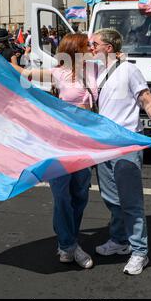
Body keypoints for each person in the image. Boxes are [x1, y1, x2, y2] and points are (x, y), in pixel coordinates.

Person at [11, 33, 97, 269]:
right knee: (62, 197)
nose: (90, 48)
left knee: (80, 195)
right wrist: (11, 62)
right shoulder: (58, 72)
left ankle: (67, 240)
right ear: (74, 50)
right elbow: (26, 75)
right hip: (61, 143)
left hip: (85, 145)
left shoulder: (93, 71)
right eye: (86, 45)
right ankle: (70, 245)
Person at [90, 28, 151, 275]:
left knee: (131, 202)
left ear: (108, 48)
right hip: (105, 146)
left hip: (126, 145)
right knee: (111, 199)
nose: (91, 48)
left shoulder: (129, 70)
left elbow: (146, 99)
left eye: (95, 44)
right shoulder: (99, 72)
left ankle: (139, 252)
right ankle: (120, 240)